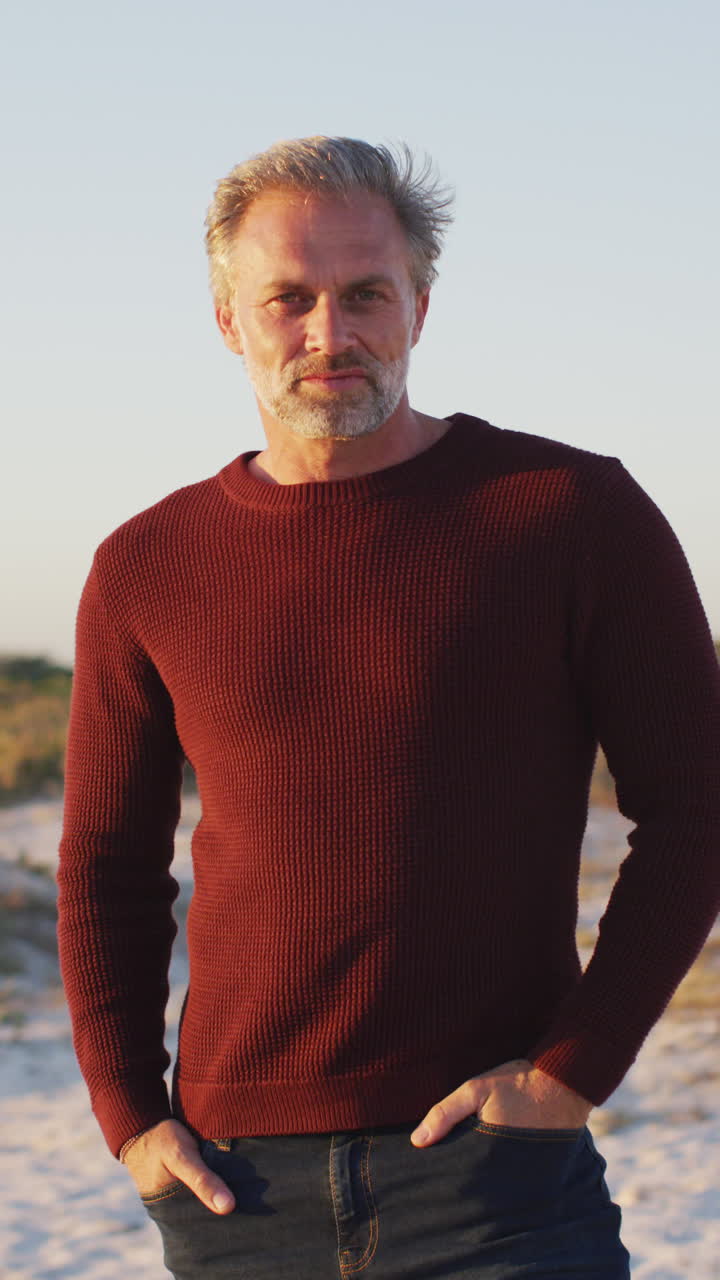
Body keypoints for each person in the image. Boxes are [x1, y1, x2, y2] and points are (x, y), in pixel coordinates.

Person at [58, 137, 720, 1280]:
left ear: (420, 301)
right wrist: (130, 1115)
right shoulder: (147, 563)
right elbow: (108, 864)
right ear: (228, 320)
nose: (331, 332)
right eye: (289, 300)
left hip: (497, 1183)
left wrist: (573, 1068)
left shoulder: (568, 514)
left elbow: (700, 807)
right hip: (233, 1188)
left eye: (366, 292)